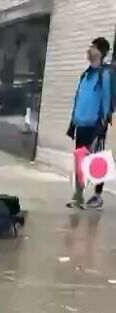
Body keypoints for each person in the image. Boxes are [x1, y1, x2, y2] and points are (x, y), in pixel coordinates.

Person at [67, 37, 112, 210]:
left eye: (92, 47)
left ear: (100, 52)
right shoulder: (85, 75)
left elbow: (106, 100)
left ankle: (97, 196)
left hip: (95, 124)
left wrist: (103, 123)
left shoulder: (104, 74)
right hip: (81, 124)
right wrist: (73, 122)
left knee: (97, 161)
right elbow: (78, 99)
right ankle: (77, 197)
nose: (88, 50)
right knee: (79, 161)